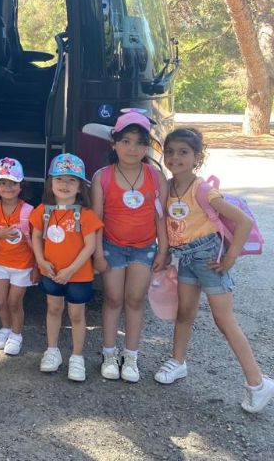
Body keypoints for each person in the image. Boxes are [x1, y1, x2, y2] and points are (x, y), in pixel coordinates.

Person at [154, 128, 273, 413]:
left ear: (198, 157)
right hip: (186, 259)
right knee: (185, 313)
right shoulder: (167, 188)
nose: (175, 157)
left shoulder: (203, 190)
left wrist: (230, 258)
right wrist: (166, 252)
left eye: (183, 152)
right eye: (170, 152)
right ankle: (178, 361)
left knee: (224, 320)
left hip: (209, 260)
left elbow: (243, 222)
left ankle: (257, 382)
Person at [91, 110, 168, 382]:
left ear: (147, 147)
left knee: (135, 300)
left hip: (144, 248)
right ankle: (109, 354)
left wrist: (163, 249)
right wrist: (97, 253)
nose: (132, 148)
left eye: (139, 142)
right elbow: (96, 220)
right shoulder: (102, 177)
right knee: (113, 298)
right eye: (125, 141)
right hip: (111, 247)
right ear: (114, 144)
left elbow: (160, 216)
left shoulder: (155, 176)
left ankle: (131, 356)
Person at [30, 153, 103, 381]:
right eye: (59, 179)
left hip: (78, 275)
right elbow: (36, 236)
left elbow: (90, 246)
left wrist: (71, 270)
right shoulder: (43, 210)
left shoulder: (86, 214)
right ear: (50, 183)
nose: (64, 184)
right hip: (51, 272)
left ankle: (77, 357)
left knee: (76, 315)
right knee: (53, 309)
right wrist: (40, 261)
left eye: (72, 180)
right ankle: (52, 350)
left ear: (80, 187)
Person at [0, 157, 35, 355]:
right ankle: (5, 328)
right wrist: (1, 234)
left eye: (13, 183)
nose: (8, 187)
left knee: (14, 302)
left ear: (21, 186)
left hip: (23, 264)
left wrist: (38, 266)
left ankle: (17, 334)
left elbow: (38, 242)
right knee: (1, 300)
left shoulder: (29, 212)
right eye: (3, 183)